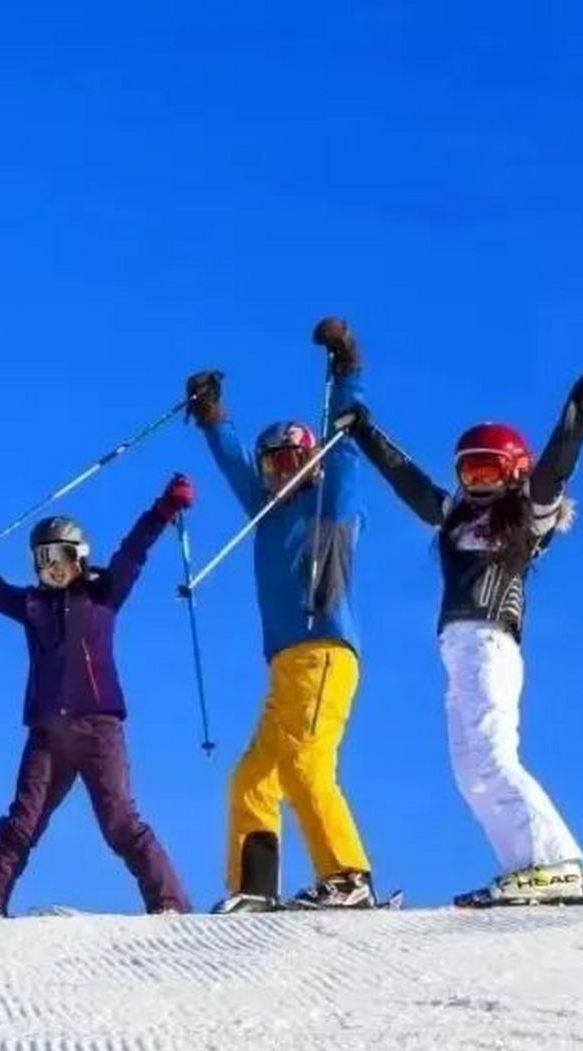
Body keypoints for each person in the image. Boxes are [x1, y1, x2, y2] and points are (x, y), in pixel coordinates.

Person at [334, 324, 583, 907]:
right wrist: (363, 432)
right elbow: (408, 481)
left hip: (491, 643)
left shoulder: (526, 516)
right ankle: (530, 869)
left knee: (492, 756)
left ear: (512, 472)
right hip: (459, 648)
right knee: (469, 769)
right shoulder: (455, 517)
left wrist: (577, 414)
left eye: (490, 472)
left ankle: (557, 861)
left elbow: (555, 470)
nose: (478, 483)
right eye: (470, 472)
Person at [0, 477, 198, 917]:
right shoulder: (32, 605)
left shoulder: (103, 595)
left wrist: (165, 509)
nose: (51, 569)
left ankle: (170, 904)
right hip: (48, 733)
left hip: (98, 729)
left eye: (59, 558)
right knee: (23, 820)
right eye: (42, 560)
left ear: (79, 556)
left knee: (119, 822)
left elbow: (134, 549)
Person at [187, 319, 381, 911]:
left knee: (304, 761)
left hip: (325, 653)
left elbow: (344, 443)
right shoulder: (265, 513)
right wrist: (212, 415)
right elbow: (232, 465)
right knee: (253, 778)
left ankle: (347, 874)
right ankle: (254, 887)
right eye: (270, 464)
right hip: (286, 666)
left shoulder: (331, 504)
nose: (276, 472)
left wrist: (347, 369)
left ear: (310, 461)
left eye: (290, 459)